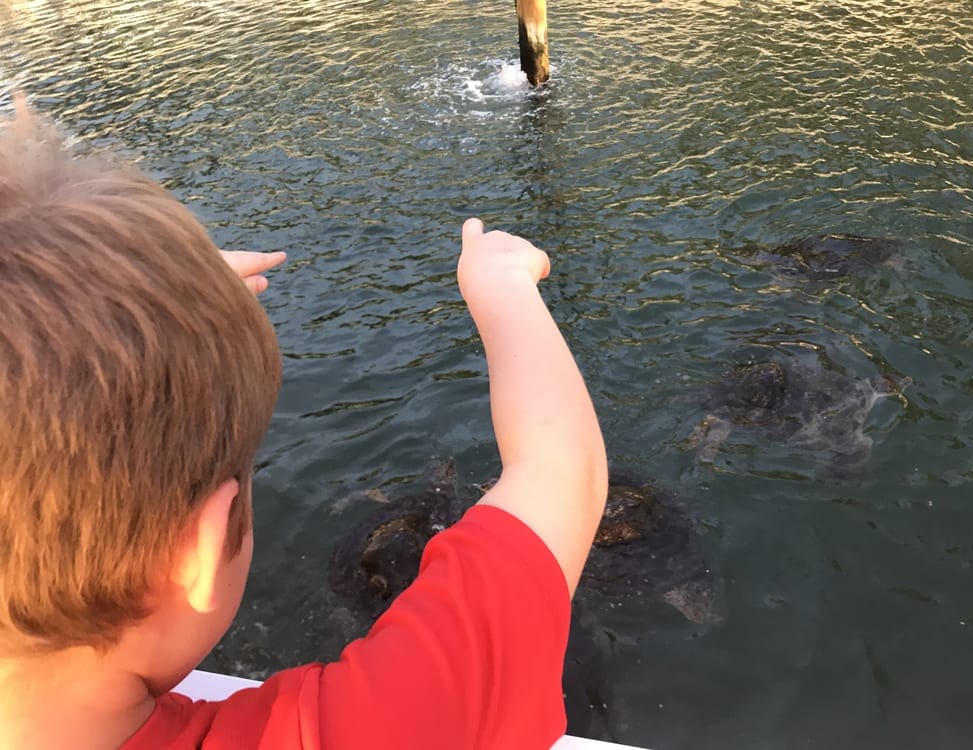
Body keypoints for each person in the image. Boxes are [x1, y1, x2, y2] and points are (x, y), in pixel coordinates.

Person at [0, 100, 607, 750]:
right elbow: (559, 468)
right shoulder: (371, 731)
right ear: (193, 557)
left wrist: (138, 315)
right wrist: (503, 285)